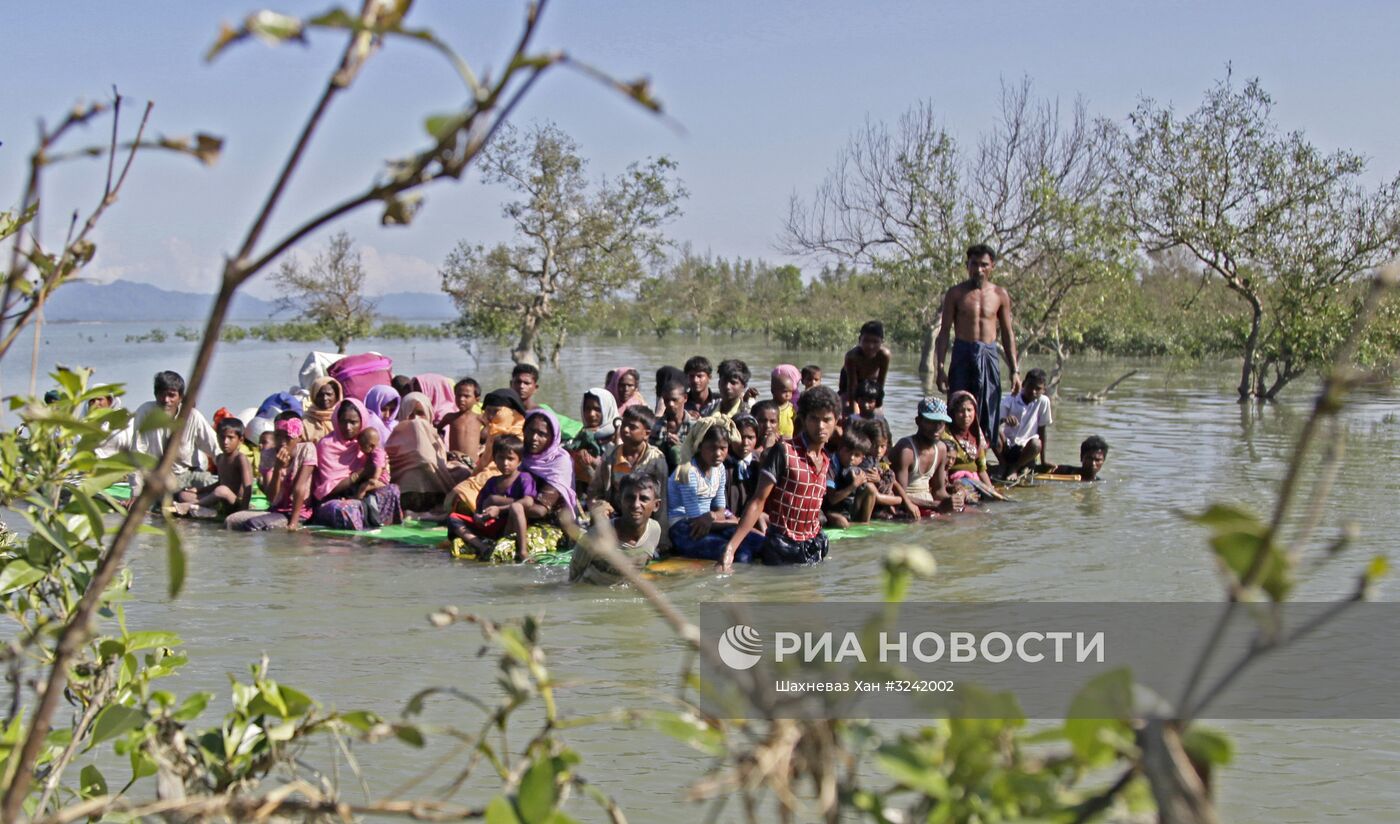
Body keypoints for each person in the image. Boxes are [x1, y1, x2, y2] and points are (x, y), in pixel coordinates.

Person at [719, 386, 840, 570]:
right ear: (804, 420)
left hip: (814, 545)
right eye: (814, 419)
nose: (821, 426)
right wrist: (731, 549)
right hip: (782, 546)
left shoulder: (825, 459)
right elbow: (758, 501)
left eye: (827, 420)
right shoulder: (784, 452)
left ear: (836, 421)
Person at [935, 244, 1021, 446]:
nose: (979, 269)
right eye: (974, 264)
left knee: (988, 408)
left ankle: (981, 457)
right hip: (963, 352)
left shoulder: (1000, 294)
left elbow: (1008, 333)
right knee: (958, 406)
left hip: (988, 354)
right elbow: (945, 331)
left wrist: (1014, 370)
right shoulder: (955, 293)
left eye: (984, 265)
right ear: (967, 265)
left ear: (992, 266)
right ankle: (955, 455)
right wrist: (939, 367)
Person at [668, 416, 761, 562]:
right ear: (700, 446)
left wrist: (715, 517)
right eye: (712, 448)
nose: (718, 454)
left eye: (723, 448)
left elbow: (720, 510)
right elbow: (696, 521)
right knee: (742, 554)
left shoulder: (719, 469)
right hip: (684, 528)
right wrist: (736, 523)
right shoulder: (688, 472)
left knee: (760, 543)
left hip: (709, 523)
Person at [123, 370, 221, 500]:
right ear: (155, 394)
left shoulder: (193, 416)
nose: (166, 400)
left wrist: (228, 478)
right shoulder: (145, 412)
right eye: (162, 395)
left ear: (180, 397)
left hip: (188, 475)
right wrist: (136, 492)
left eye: (171, 395)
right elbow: (137, 454)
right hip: (158, 478)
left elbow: (216, 449)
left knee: (211, 484)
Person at [311, 398, 403, 530]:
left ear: (362, 422)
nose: (348, 427)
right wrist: (362, 473)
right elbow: (327, 490)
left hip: (363, 494)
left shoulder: (365, 441)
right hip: (334, 500)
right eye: (343, 422)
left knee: (393, 491)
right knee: (347, 509)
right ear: (337, 421)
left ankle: (380, 525)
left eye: (353, 422)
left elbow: (378, 472)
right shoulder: (327, 445)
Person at [446, 435, 537, 560]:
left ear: (519, 461)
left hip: (509, 525)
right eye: (501, 458)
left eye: (510, 459)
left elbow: (528, 501)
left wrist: (500, 509)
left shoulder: (524, 478)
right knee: (453, 518)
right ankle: (482, 547)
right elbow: (479, 507)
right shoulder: (492, 482)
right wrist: (479, 516)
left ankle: (523, 552)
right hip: (490, 524)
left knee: (517, 507)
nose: (505, 463)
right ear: (494, 459)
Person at [569, 474, 663, 585]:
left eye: (644, 499)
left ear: (656, 505)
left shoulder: (654, 531)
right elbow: (573, 577)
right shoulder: (596, 535)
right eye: (630, 498)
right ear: (619, 500)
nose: (636, 504)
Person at [228, 414, 317, 531]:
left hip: (297, 512)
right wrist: (277, 469)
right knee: (230, 521)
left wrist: (293, 524)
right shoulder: (268, 454)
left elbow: (299, 488)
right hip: (275, 509)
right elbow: (272, 498)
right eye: (278, 436)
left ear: (299, 438)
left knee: (253, 524)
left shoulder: (307, 449)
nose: (282, 442)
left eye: (288, 437)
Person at [446, 388, 527, 514]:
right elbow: (484, 462)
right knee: (460, 491)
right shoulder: (495, 430)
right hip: (490, 470)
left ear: (511, 412)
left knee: (467, 495)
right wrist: (473, 477)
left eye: (496, 411)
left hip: (510, 475)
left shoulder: (523, 433)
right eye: (488, 411)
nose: (490, 416)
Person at [387, 392, 463, 513]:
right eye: (410, 414)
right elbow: (426, 459)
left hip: (434, 494)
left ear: (429, 414)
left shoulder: (435, 436)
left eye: (420, 414)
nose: (416, 419)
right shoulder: (395, 438)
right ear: (402, 414)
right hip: (407, 495)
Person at [589, 404, 668, 515]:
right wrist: (602, 507)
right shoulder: (610, 458)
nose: (625, 430)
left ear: (646, 434)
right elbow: (595, 492)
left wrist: (661, 531)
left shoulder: (656, 460)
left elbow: (662, 501)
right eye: (624, 425)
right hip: (616, 514)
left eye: (632, 427)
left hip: (644, 516)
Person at [175, 417, 253, 518]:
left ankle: (192, 506)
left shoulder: (240, 458)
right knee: (183, 495)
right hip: (222, 501)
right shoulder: (220, 458)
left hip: (237, 503)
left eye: (230, 437)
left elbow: (248, 487)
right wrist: (199, 490)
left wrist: (243, 512)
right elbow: (220, 482)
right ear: (217, 438)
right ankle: (206, 508)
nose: (225, 442)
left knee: (222, 490)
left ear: (241, 440)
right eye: (222, 437)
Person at [892, 397, 954, 513]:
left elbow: (939, 492)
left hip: (929, 504)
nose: (936, 428)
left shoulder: (941, 449)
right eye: (931, 422)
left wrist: (954, 500)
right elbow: (899, 495)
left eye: (940, 423)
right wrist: (934, 505)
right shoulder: (906, 450)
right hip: (907, 506)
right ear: (918, 421)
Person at [851, 417, 920, 521]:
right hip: (869, 508)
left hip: (887, 503)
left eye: (882, 446)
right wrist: (901, 501)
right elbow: (875, 496)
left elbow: (894, 481)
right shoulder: (865, 463)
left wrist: (908, 502)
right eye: (874, 446)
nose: (879, 451)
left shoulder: (884, 460)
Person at [996, 367, 1052, 479]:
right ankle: (1003, 464)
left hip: (1026, 451)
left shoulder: (1043, 401)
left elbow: (1042, 430)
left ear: (1043, 390)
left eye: (1038, 389)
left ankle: (1015, 468)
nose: (1033, 391)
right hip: (1007, 448)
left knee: (1037, 443)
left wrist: (1043, 461)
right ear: (1023, 384)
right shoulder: (1010, 400)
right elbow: (994, 424)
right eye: (1030, 386)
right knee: (992, 433)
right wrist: (1004, 420)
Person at [944, 390, 998, 500]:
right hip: (955, 482)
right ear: (952, 413)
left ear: (975, 412)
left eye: (969, 410)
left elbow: (982, 469)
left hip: (975, 481)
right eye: (960, 411)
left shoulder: (976, 435)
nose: (966, 415)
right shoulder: (944, 436)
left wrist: (991, 490)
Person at [822, 427, 873, 529]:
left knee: (870, 488)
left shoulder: (860, 466)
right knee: (841, 522)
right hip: (828, 509)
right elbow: (832, 499)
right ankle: (855, 525)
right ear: (840, 449)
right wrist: (854, 485)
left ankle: (864, 522)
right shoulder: (831, 466)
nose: (851, 457)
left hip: (846, 508)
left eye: (856, 455)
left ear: (862, 458)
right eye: (848, 452)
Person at [839, 320, 891, 413]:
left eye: (875, 342)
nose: (870, 346)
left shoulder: (884, 355)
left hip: (870, 383)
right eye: (866, 341)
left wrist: (877, 405)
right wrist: (855, 414)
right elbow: (852, 387)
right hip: (849, 382)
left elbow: (880, 383)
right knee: (847, 410)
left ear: (882, 342)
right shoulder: (852, 356)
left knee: (877, 414)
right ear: (860, 340)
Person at [650, 380, 692, 472]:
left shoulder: (695, 426)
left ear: (685, 398)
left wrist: (681, 447)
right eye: (667, 400)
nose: (670, 404)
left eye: (674, 400)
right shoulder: (655, 426)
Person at [725, 415, 761, 518]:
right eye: (740, 437)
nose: (745, 443)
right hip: (728, 520)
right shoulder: (722, 464)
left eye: (750, 438)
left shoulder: (760, 462)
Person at [445, 378, 483, 462]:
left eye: (466, 396)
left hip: (473, 463)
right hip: (454, 461)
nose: (461, 399)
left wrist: (484, 445)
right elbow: (437, 431)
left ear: (477, 400)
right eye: (458, 395)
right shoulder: (450, 417)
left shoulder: (479, 418)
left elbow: (493, 431)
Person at [1042, 435, 1109, 481]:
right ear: (1081, 457)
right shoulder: (1062, 471)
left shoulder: (1099, 482)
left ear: (1103, 461)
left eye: (1097, 460)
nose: (1093, 463)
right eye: (1089, 458)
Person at [301, 376, 343, 443]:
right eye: (320, 395)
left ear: (337, 396)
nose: (324, 398)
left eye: (329, 394)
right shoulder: (305, 421)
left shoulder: (342, 417)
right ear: (313, 396)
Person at [770, 364, 801, 438]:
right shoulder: (769, 408)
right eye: (784, 391)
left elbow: (797, 423)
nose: (787, 395)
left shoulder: (794, 406)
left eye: (790, 391)